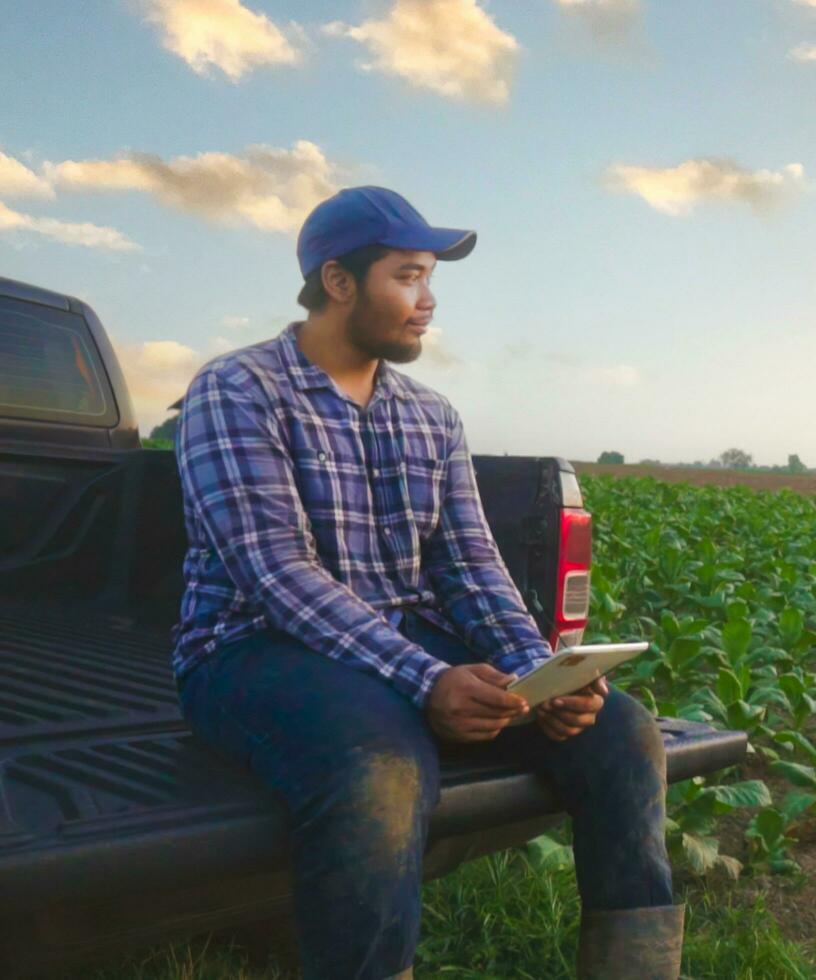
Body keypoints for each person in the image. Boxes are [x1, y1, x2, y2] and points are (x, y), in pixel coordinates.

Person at [169, 186, 681, 980]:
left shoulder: (431, 415)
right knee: (381, 764)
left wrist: (537, 675)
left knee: (622, 733)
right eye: (408, 277)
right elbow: (275, 573)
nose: (428, 302)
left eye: (430, 280)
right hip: (250, 648)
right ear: (339, 282)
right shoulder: (238, 389)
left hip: (403, 638)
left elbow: (469, 563)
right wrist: (428, 678)